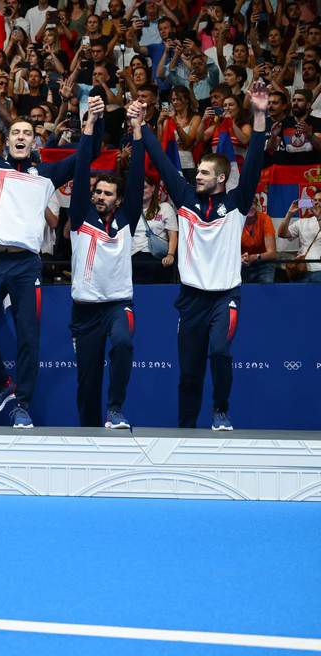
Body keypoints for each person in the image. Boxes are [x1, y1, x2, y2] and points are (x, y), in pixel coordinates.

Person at [0, 53, 94, 429]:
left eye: (27, 133)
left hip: (25, 266)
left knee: (27, 338)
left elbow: (86, 157)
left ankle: (22, 403)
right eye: (16, 133)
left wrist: (91, 126)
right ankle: (4, 384)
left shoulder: (47, 174)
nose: (21, 137)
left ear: (35, 141)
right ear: (6, 142)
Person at [139, 82, 269, 432]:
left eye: (204, 173)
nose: (197, 176)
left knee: (221, 353)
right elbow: (165, 164)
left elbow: (255, 160)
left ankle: (221, 412)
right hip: (191, 300)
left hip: (225, 296)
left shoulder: (237, 203)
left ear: (222, 178)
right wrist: (142, 127)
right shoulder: (184, 199)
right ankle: (185, 431)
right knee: (189, 373)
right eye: (197, 172)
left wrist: (259, 115)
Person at [67, 100, 144, 430]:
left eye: (108, 193)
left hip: (117, 304)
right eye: (97, 191)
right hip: (84, 310)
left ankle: (115, 409)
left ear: (119, 199)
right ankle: (88, 434)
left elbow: (138, 177)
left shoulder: (127, 220)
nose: (100, 196)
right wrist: (89, 127)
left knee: (124, 343)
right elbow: (81, 169)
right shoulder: (80, 217)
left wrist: (138, 131)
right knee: (87, 382)